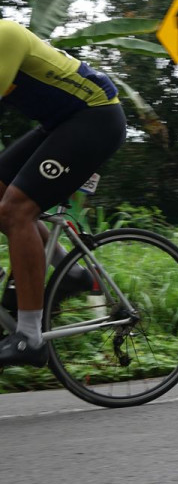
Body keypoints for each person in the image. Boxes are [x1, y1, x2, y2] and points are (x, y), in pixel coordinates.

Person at [0, 21, 127, 367]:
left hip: (97, 117)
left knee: (16, 209)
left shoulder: (5, 35)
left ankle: (29, 338)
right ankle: (69, 272)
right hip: (61, 123)